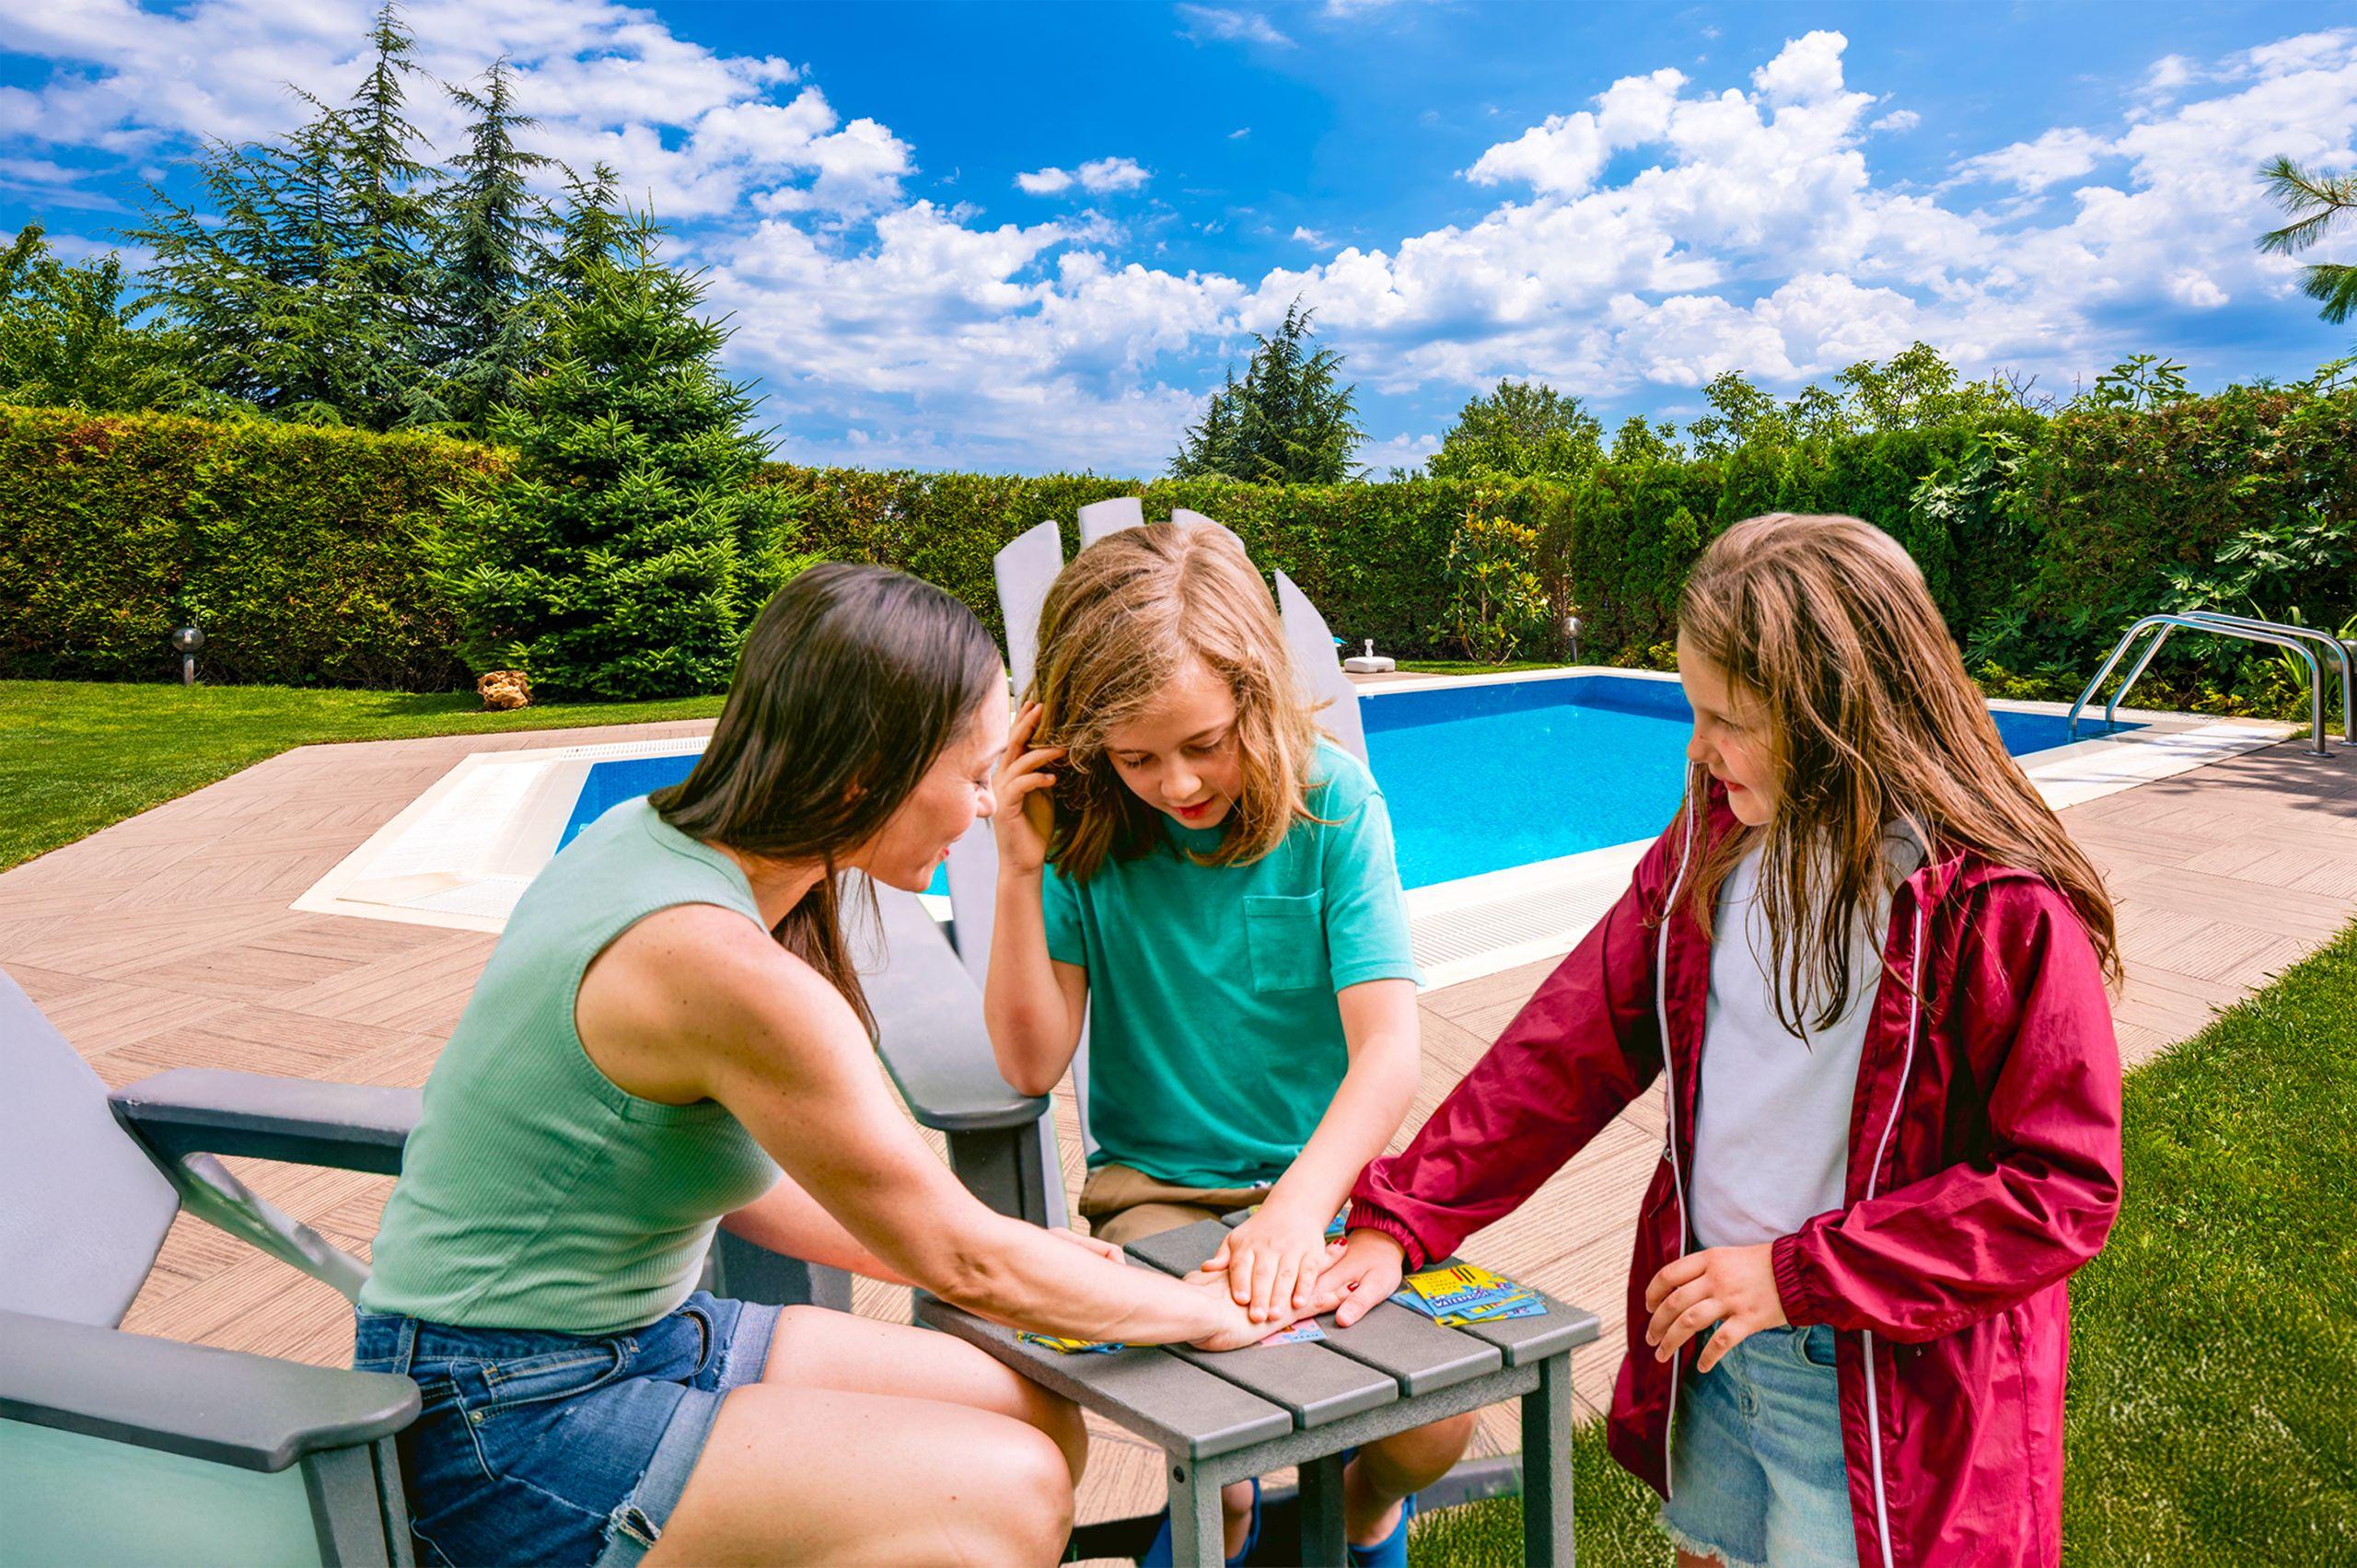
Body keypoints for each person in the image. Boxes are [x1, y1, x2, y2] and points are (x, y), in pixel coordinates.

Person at [354, 563, 1259, 1568]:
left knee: (1033, 1408)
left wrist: (1017, 1260)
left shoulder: (658, 840)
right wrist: (1205, 1308)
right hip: (500, 1413)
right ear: (866, 773)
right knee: (1005, 1491)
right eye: (968, 778)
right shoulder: (717, 960)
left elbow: (831, 1205)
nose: (978, 810)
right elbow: (958, 1258)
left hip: (642, 1335)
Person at [1313, 514, 2125, 1568]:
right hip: (1717, 1343)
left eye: (1725, 717)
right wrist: (1400, 1217)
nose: (1695, 746)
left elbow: (2058, 1187)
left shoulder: (1995, 910)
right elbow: (1565, 1049)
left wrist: (1797, 1275)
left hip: (1884, 1387)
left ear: (1838, 716)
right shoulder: (1711, 843)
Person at [984, 521, 1475, 1568]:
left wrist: (1298, 1210)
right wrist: (1018, 874)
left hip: (1332, 1189)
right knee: (1229, 1462)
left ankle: (1363, 1510)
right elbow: (1029, 1064)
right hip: (1156, 1190)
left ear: (1256, 698)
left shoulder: (1332, 801)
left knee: (1432, 1424)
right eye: (1135, 756)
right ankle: (1229, 1526)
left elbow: (1389, 1047)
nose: (1176, 783)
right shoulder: (1083, 833)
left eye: (1203, 742)